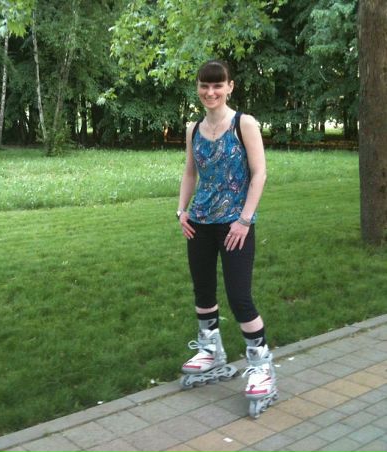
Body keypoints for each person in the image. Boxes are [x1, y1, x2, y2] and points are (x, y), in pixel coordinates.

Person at [176, 59, 277, 417]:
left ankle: (261, 365)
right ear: (198, 88)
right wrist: (181, 210)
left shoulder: (243, 123)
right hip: (199, 223)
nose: (211, 92)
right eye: (205, 85)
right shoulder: (193, 129)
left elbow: (259, 173)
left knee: (239, 297)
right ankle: (211, 350)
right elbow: (190, 173)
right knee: (203, 291)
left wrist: (245, 220)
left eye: (218, 85)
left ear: (230, 87)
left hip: (236, 225)